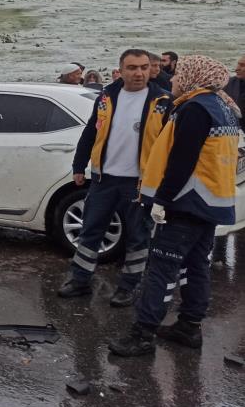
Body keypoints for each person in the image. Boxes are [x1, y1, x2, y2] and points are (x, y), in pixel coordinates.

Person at [109, 55, 241, 356]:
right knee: (196, 265)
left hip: (186, 204)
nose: (172, 79)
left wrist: (163, 201)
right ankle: (189, 327)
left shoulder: (195, 108)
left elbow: (182, 161)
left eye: (179, 74)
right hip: (210, 202)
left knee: (162, 268)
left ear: (193, 76)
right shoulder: (222, 106)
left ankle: (142, 334)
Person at [58, 49, 172, 307]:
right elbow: (91, 131)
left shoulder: (162, 100)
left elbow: (170, 146)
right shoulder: (107, 95)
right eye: (133, 67)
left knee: (137, 236)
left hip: (139, 183)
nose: (139, 73)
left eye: (144, 67)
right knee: (90, 231)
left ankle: (128, 287)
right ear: (121, 69)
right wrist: (79, 164)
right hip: (104, 179)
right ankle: (80, 280)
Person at [224, 54, 245, 128]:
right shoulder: (228, 83)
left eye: (242, 65)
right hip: (234, 130)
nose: (236, 69)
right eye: (238, 64)